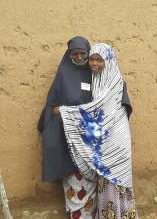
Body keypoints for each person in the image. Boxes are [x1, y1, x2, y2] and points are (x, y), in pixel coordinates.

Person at [58, 43, 138, 219]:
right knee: (104, 183)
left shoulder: (115, 82)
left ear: (108, 61)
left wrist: (65, 112)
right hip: (104, 143)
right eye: (92, 59)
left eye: (99, 60)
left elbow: (100, 110)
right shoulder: (95, 81)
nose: (94, 63)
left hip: (116, 141)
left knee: (115, 182)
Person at [38, 36, 97, 219]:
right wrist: (47, 122)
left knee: (90, 182)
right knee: (73, 181)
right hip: (68, 138)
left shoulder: (94, 72)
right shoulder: (63, 73)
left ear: (88, 53)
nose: (79, 57)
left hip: (89, 139)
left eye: (82, 54)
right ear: (70, 54)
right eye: (75, 54)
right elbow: (52, 102)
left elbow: (99, 105)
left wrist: (67, 111)